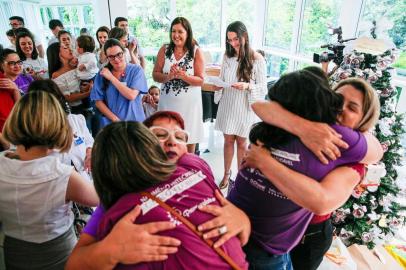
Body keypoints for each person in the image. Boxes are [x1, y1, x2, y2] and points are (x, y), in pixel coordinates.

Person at [227, 70, 382, 269]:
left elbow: (376, 152)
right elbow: (259, 105)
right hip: (259, 234)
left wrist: (265, 161)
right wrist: (303, 127)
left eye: (352, 107)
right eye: (337, 99)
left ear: (363, 121)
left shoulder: (346, 142)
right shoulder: (303, 117)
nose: (341, 108)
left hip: (306, 234)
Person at [65, 111, 251, 269]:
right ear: (142, 147)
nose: (172, 141)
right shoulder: (118, 206)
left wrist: (242, 219)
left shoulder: (196, 167)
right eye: (160, 135)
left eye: (180, 137)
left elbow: (222, 206)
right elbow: (74, 264)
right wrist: (109, 251)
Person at [0, 91, 99, 269]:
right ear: (59, 127)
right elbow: (98, 199)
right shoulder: (64, 176)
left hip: (13, 251)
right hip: (58, 253)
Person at [214, 21, 267, 189]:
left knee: (242, 143)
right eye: (229, 40)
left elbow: (263, 87)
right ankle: (226, 174)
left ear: (245, 36)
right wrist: (218, 85)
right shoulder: (227, 56)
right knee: (228, 140)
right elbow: (222, 78)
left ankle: (240, 178)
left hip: (244, 106)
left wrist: (248, 86)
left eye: (236, 39)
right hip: (228, 103)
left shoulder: (257, 58)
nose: (233, 44)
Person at [152, 17, 205, 154]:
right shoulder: (165, 49)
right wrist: (168, 76)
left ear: (187, 33)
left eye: (180, 32)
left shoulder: (196, 51)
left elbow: (200, 80)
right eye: (173, 31)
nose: (176, 35)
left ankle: (189, 169)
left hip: (189, 106)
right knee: (165, 141)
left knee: (189, 139)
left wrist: (184, 76)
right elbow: (155, 74)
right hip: (167, 105)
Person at [28, 79, 94, 182]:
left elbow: (89, 142)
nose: (51, 105)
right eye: (45, 102)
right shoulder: (32, 131)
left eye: (54, 98)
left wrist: (90, 153)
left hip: (85, 179)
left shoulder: (76, 120)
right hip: (56, 186)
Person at [91, 38, 148, 127]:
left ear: (124, 52)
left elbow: (131, 95)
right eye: (111, 56)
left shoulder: (136, 70)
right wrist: (115, 120)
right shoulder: (102, 74)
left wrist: (111, 78)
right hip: (113, 124)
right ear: (107, 57)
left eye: (119, 54)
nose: (116, 59)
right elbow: (98, 101)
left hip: (135, 123)